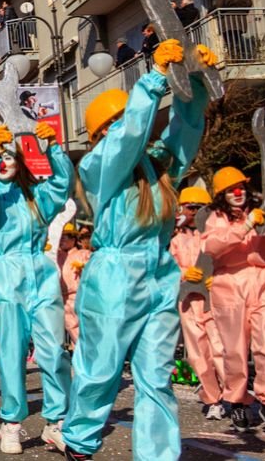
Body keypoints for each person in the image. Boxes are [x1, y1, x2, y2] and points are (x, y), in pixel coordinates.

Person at [62, 39, 215, 460]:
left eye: (122, 119)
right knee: (101, 370)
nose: (121, 128)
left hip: (159, 276)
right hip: (112, 279)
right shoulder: (97, 168)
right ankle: (79, 442)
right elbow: (126, 140)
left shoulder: (158, 170)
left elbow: (183, 135)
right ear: (98, 136)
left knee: (155, 377)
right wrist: (151, 81)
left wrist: (194, 83)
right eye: (110, 124)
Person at [0, 123, 73, 454]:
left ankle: (56, 421)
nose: (5, 161)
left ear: (21, 162)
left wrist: (53, 148)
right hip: (5, 274)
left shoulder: (37, 195)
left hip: (40, 272)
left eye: (10, 156)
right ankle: (11, 423)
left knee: (54, 349)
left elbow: (63, 184)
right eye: (0, 155)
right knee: (12, 352)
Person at [202, 167, 265, 436]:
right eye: (231, 189)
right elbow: (213, 246)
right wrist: (245, 226)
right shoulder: (216, 218)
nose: (238, 192)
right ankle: (236, 399)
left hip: (264, 280)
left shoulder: (264, 213)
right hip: (229, 284)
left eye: (241, 187)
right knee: (234, 348)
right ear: (221, 195)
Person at [169, 186, 226, 421]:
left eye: (197, 208)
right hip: (187, 301)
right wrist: (183, 273)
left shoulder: (215, 235)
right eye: (189, 207)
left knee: (221, 348)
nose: (191, 212)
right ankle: (214, 399)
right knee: (197, 354)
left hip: (215, 300)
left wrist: (220, 278)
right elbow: (168, 268)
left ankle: (235, 397)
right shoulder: (176, 240)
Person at [57, 224, 89, 347]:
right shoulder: (56, 256)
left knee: (84, 329)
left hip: (80, 296)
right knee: (72, 330)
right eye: (60, 237)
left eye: (65, 237)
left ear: (74, 239)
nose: (62, 240)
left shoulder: (84, 254)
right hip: (62, 299)